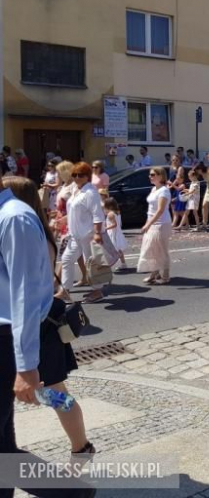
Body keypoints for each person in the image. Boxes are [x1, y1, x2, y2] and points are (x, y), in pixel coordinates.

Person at [0, 183, 96, 498]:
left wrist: (26, 368)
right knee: (49, 395)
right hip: (33, 333)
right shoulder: (33, 225)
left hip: (39, 334)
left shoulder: (19, 222)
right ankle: (79, 452)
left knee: (55, 395)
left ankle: (81, 447)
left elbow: (27, 293)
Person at [59, 162, 106, 303]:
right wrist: (63, 220)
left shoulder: (91, 193)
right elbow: (74, 210)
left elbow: (98, 214)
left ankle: (97, 291)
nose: (77, 177)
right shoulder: (76, 190)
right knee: (67, 260)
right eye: (74, 175)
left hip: (88, 234)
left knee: (91, 263)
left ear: (87, 176)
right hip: (75, 235)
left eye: (81, 175)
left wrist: (97, 233)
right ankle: (64, 291)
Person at [137, 166, 173, 285]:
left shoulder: (164, 190)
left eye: (153, 175)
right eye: (150, 175)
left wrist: (148, 224)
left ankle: (166, 276)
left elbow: (160, 210)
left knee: (162, 250)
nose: (150, 177)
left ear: (161, 176)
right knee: (151, 250)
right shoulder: (154, 189)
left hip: (161, 224)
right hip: (152, 223)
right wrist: (148, 223)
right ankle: (154, 273)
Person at [104, 198, 127, 270]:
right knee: (118, 249)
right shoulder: (117, 212)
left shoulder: (110, 214)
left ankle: (108, 264)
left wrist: (105, 228)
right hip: (117, 232)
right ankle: (123, 263)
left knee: (111, 249)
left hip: (113, 233)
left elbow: (114, 224)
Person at [168, 154, 187, 230]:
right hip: (171, 188)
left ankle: (177, 223)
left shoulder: (180, 168)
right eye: (173, 160)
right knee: (173, 207)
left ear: (179, 160)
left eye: (176, 160)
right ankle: (176, 222)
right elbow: (170, 178)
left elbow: (178, 178)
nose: (175, 161)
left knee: (179, 208)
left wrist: (171, 185)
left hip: (177, 188)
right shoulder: (171, 167)